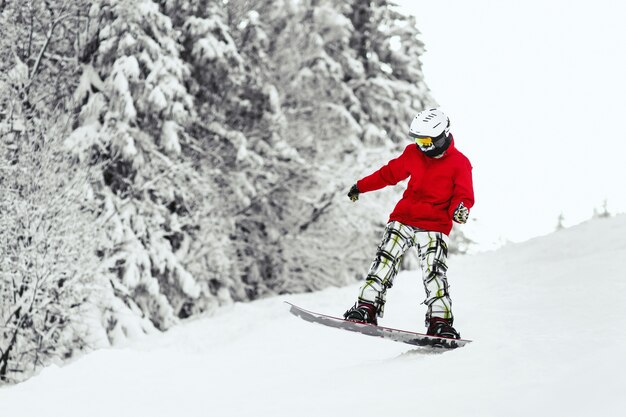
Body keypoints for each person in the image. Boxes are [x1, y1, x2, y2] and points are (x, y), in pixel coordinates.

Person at [344, 108, 474, 339]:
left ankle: (440, 321)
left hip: (434, 225)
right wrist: (360, 186)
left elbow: (463, 196)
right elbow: (388, 174)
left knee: (434, 272)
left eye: (427, 141)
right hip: (404, 218)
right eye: (418, 140)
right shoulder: (413, 154)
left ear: (442, 136)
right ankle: (366, 308)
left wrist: (459, 210)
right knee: (384, 260)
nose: (422, 146)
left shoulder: (459, 163)